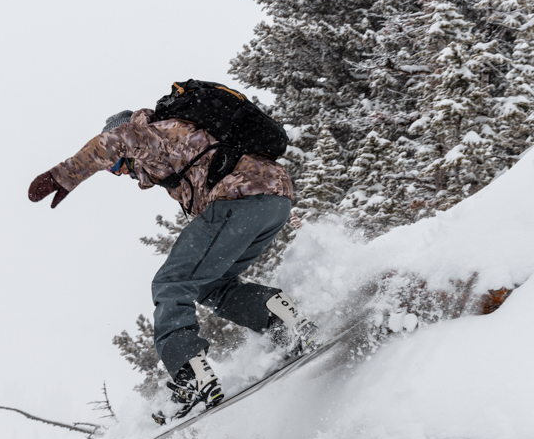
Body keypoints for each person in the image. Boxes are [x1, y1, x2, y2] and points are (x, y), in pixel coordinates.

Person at [28, 106, 318, 422]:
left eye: (116, 167)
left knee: (170, 283)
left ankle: (190, 378)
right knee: (210, 284)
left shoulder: (151, 134)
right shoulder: (175, 149)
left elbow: (118, 139)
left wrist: (65, 174)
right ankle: (282, 324)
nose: (120, 173)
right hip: (274, 202)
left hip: (241, 199)